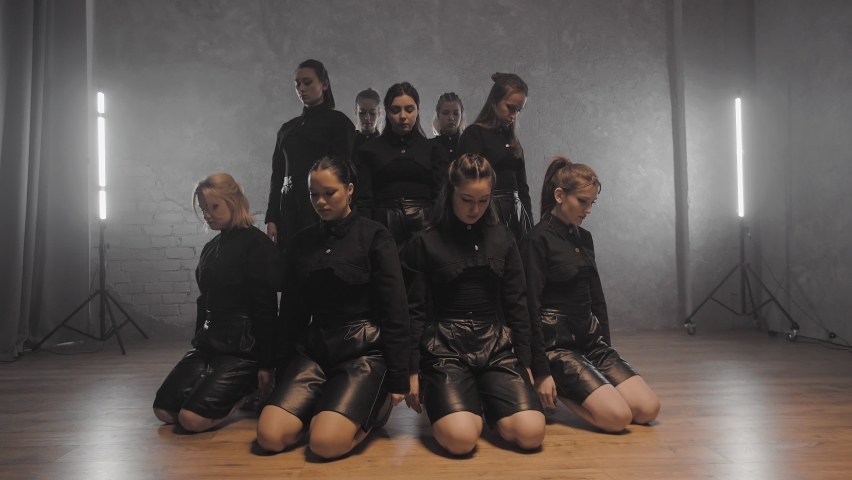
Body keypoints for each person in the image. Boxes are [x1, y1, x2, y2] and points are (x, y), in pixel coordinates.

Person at [257, 156, 410, 459]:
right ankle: (324, 409)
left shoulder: (375, 236)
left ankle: (371, 412)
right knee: (269, 438)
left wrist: (398, 378)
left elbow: (395, 312)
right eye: (314, 194)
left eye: (330, 193)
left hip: (363, 352)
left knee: (324, 444)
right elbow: (291, 313)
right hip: (314, 351)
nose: (320, 202)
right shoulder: (302, 242)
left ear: (350, 189)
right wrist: (281, 369)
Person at [401, 154, 545, 456]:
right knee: (462, 440)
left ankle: (484, 394)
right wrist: (411, 370)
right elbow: (413, 311)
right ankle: (466, 401)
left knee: (532, 434)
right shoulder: (424, 242)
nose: (474, 209)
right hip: (444, 348)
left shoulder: (503, 237)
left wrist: (526, 361)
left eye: (483, 200)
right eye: (467, 199)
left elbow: (518, 304)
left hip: (496, 345)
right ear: (450, 192)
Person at [521, 157, 660, 432]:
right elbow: (529, 308)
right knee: (617, 418)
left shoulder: (584, 238)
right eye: (583, 201)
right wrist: (540, 371)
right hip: (557, 348)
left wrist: (606, 346)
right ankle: (558, 391)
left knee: (647, 410)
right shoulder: (536, 240)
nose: (589, 210)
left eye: (592, 203)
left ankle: (598, 386)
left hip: (590, 341)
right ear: (560, 195)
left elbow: (597, 300)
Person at [153, 173, 280, 432]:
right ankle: (211, 383)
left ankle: (248, 391)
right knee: (164, 411)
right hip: (209, 343)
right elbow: (205, 300)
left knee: (191, 419)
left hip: (243, 349)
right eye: (203, 209)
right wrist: (200, 343)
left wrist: (268, 364)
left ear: (234, 202)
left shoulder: (258, 245)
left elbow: (266, 310)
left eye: (214, 207)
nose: (207, 215)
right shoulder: (212, 247)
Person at [265, 59, 356, 255]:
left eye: (307, 82)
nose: (301, 88)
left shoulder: (339, 123)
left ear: (324, 84)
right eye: (297, 83)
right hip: (288, 207)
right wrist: (271, 218)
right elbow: (277, 176)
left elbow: (344, 173)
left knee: (319, 260)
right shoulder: (287, 129)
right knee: (291, 265)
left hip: (320, 205)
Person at [355, 82, 449, 252]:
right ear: (387, 113)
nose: (403, 116)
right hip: (382, 228)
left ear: (418, 110)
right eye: (396, 110)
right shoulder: (368, 151)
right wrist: (365, 238)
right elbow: (364, 200)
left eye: (409, 109)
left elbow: (440, 198)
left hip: (426, 228)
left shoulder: (434, 150)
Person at [458, 73, 533, 242]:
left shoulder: (513, 140)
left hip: (517, 216)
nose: (514, 116)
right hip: (486, 215)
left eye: (518, 111)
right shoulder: (473, 134)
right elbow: (464, 185)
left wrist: (530, 228)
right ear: (495, 101)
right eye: (510, 108)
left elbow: (522, 188)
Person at [431, 92, 466, 163]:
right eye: (445, 113)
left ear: (461, 116)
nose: (451, 118)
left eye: (456, 113)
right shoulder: (430, 147)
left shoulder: (468, 145)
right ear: (438, 116)